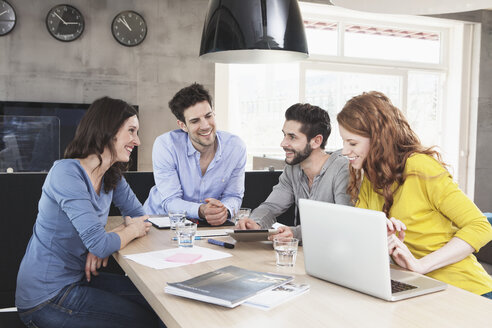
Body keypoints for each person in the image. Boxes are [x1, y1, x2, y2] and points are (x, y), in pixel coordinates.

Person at [15, 97, 162, 327]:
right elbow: (100, 243)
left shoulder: (112, 175)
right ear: (108, 130)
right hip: (46, 297)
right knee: (145, 321)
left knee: (157, 299)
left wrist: (109, 239)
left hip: (80, 280)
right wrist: (105, 241)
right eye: (131, 131)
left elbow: (140, 217)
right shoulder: (66, 173)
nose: (138, 141)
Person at [337, 91, 492, 298]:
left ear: (378, 140)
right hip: (418, 287)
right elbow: (361, 239)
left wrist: (420, 265)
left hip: (467, 291)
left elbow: (480, 226)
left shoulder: (419, 167)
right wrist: (381, 237)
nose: (344, 151)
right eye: (344, 142)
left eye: (352, 143)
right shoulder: (371, 177)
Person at [237, 103, 351, 240]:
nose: (283, 143)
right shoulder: (292, 169)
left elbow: (344, 224)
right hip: (306, 253)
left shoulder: (342, 170)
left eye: (292, 137)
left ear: (316, 141)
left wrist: (295, 233)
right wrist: (255, 223)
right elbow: (271, 207)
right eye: (284, 135)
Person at [143, 83, 246, 226]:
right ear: (182, 125)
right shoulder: (166, 145)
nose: (205, 126)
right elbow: (171, 200)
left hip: (207, 225)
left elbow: (233, 196)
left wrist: (225, 210)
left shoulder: (235, 147)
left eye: (208, 116)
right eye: (195, 121)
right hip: (161, 221)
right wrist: (201, 210)